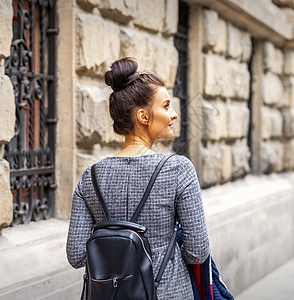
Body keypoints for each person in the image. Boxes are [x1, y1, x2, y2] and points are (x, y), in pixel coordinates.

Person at [66, 57, 210, 299]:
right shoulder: (178, 169)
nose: (173, 114)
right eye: (165, 106)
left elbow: (77, 255)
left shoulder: (91, 177)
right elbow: (197, 251)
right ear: (143, 117)